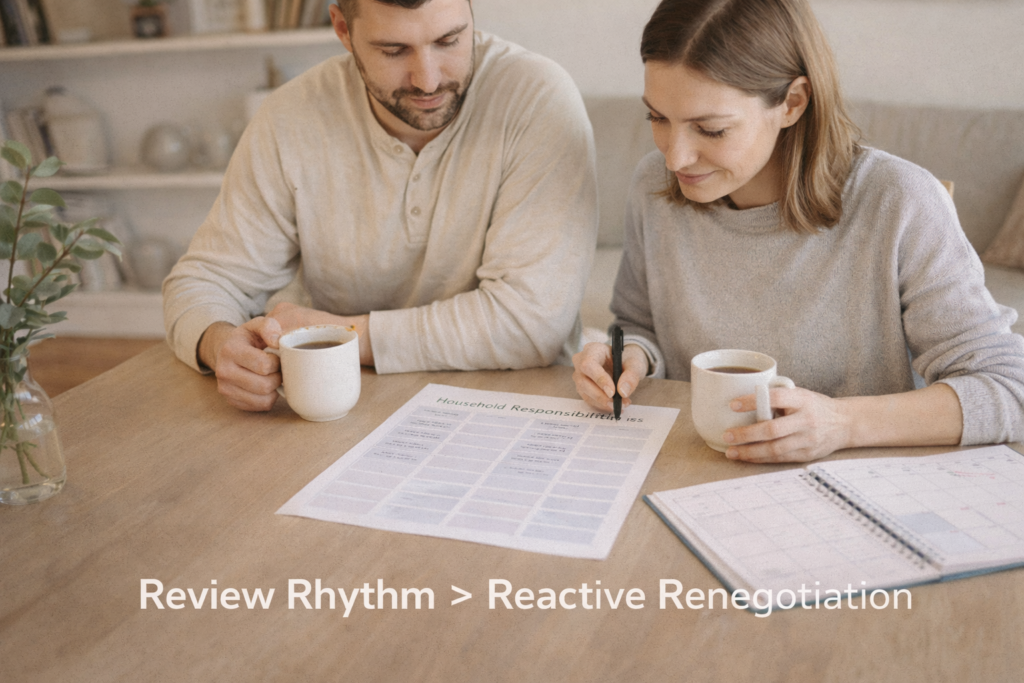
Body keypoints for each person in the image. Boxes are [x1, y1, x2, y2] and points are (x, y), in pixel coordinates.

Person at [573, 0, 1024, 463]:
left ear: (792, 103)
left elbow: (1009, 388)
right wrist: (628, 358)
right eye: (658, 118)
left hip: (856, 485)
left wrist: (842, 424)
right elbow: (638, 325)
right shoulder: (654, 187)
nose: (675, 157)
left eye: (710, 129)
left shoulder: (900, 200)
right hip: (700, 471)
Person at [163, 0, 598, 411]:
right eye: (393, 50)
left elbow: (530, 325)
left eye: (449, 41)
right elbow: (204, 279)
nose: (427, 80)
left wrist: (342, 335)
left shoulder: (538, 98)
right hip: (348, 409)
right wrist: (220, 344)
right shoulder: (289, 117)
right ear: (343, 29)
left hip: (522, 404)